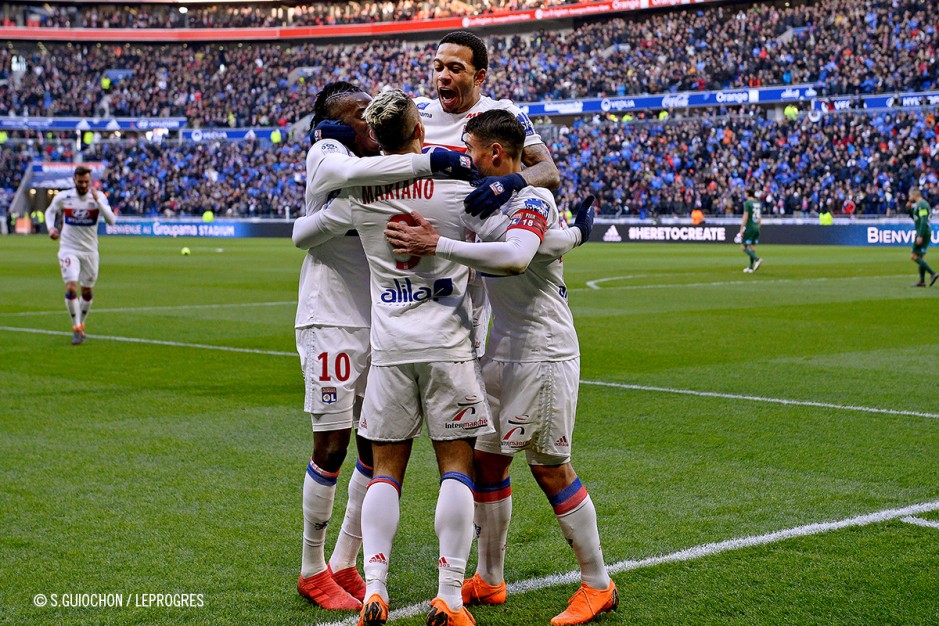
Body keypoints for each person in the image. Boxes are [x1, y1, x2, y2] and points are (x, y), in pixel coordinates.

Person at [385, 110, 616, 626]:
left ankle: (599, 584)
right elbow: (541, 244)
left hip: (544, 352)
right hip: (502, 349)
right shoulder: (480, 200)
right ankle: (490, 579)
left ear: (494, 153)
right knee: (487, 463)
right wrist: (573, 237)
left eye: (469, 148)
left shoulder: (534, 198)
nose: (463, 156)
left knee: (549, 465)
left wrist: (436, 243)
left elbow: (514, 258)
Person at [293, 89, 501, 626]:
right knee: (337, 443)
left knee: (375, 454)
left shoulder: (366, 187)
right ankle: (315, 566)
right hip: (336, 318)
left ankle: (348, 564)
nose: (361, 118)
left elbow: (308, 228)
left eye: (368, 113)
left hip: (383, 329)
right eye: (352, 114)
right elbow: (302, 230)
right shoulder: (329, 157)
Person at [418, 30, 562, 357]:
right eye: (438, 67)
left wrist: (508, 183)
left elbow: (548, 171)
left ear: (479, 76)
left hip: (467, 264)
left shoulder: (500, 113)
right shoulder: (419, 112)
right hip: (415, 258)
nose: (443, 76)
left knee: (461, 364)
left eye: (455, 69)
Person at [45, 165, 117, 345]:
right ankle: (76, 328)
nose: (84, 185)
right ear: (74, 180)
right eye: (80, 181)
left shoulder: (98, 197)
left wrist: (98, 202)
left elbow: (112, 220)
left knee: (87, 291)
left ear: (90, 181)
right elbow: (50, 211)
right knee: (71, 287)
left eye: (86, 181)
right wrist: (51, 227)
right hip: (69, 248)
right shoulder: (64, 197)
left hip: (90, 251)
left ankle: (81, 324)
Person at [907, 188, 937, 287]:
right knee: (920, 257)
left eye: (910, 195)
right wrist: (909, 210)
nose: (909, 197)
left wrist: (920, 235)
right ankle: (922, 281)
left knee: (913, 255)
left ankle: (932, 273)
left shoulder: (922, 205)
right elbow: (916, 219)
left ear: (915, 195)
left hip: (922, 232)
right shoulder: (919, 205)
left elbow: (924, 221)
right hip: (923, 232)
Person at [736, 190, 763, 273]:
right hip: (756, 227)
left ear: (748, 194)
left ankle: (757, 259)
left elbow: (745, 216)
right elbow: (760, 217)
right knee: (752, 247)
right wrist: (758, 226)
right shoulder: (758, 203)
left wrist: (741, 228)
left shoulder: (747, 203)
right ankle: (751, 267)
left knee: (743, 247)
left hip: (750, 227)